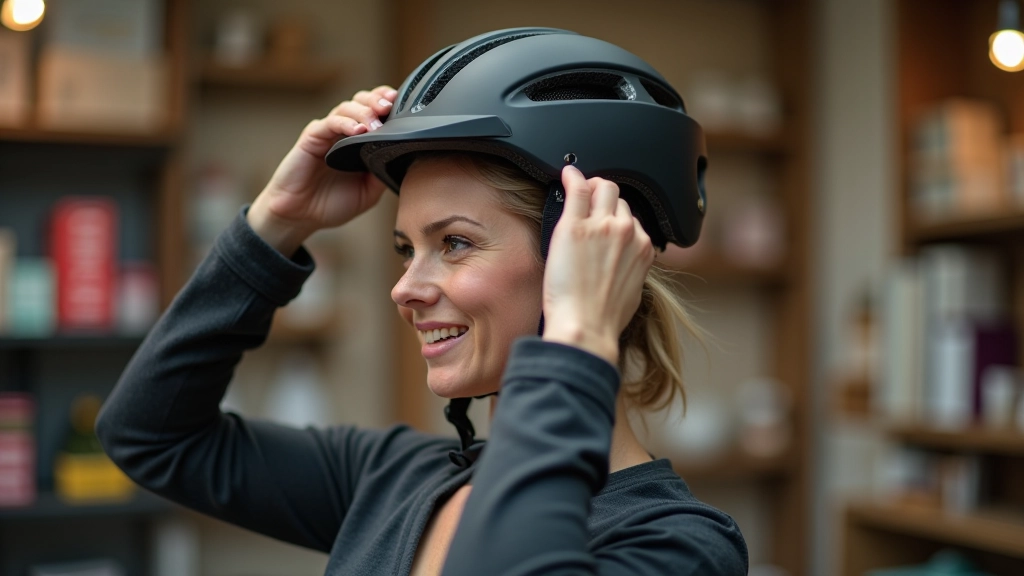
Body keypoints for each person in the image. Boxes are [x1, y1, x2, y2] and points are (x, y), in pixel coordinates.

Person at [97, 28, 747, 575]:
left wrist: (578, 335)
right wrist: (276, 222)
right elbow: (150, 436)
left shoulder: (677, 546)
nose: (405, 289)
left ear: (583, 248)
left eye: (455, 242)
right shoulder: (390, 476)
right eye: (407, 248)